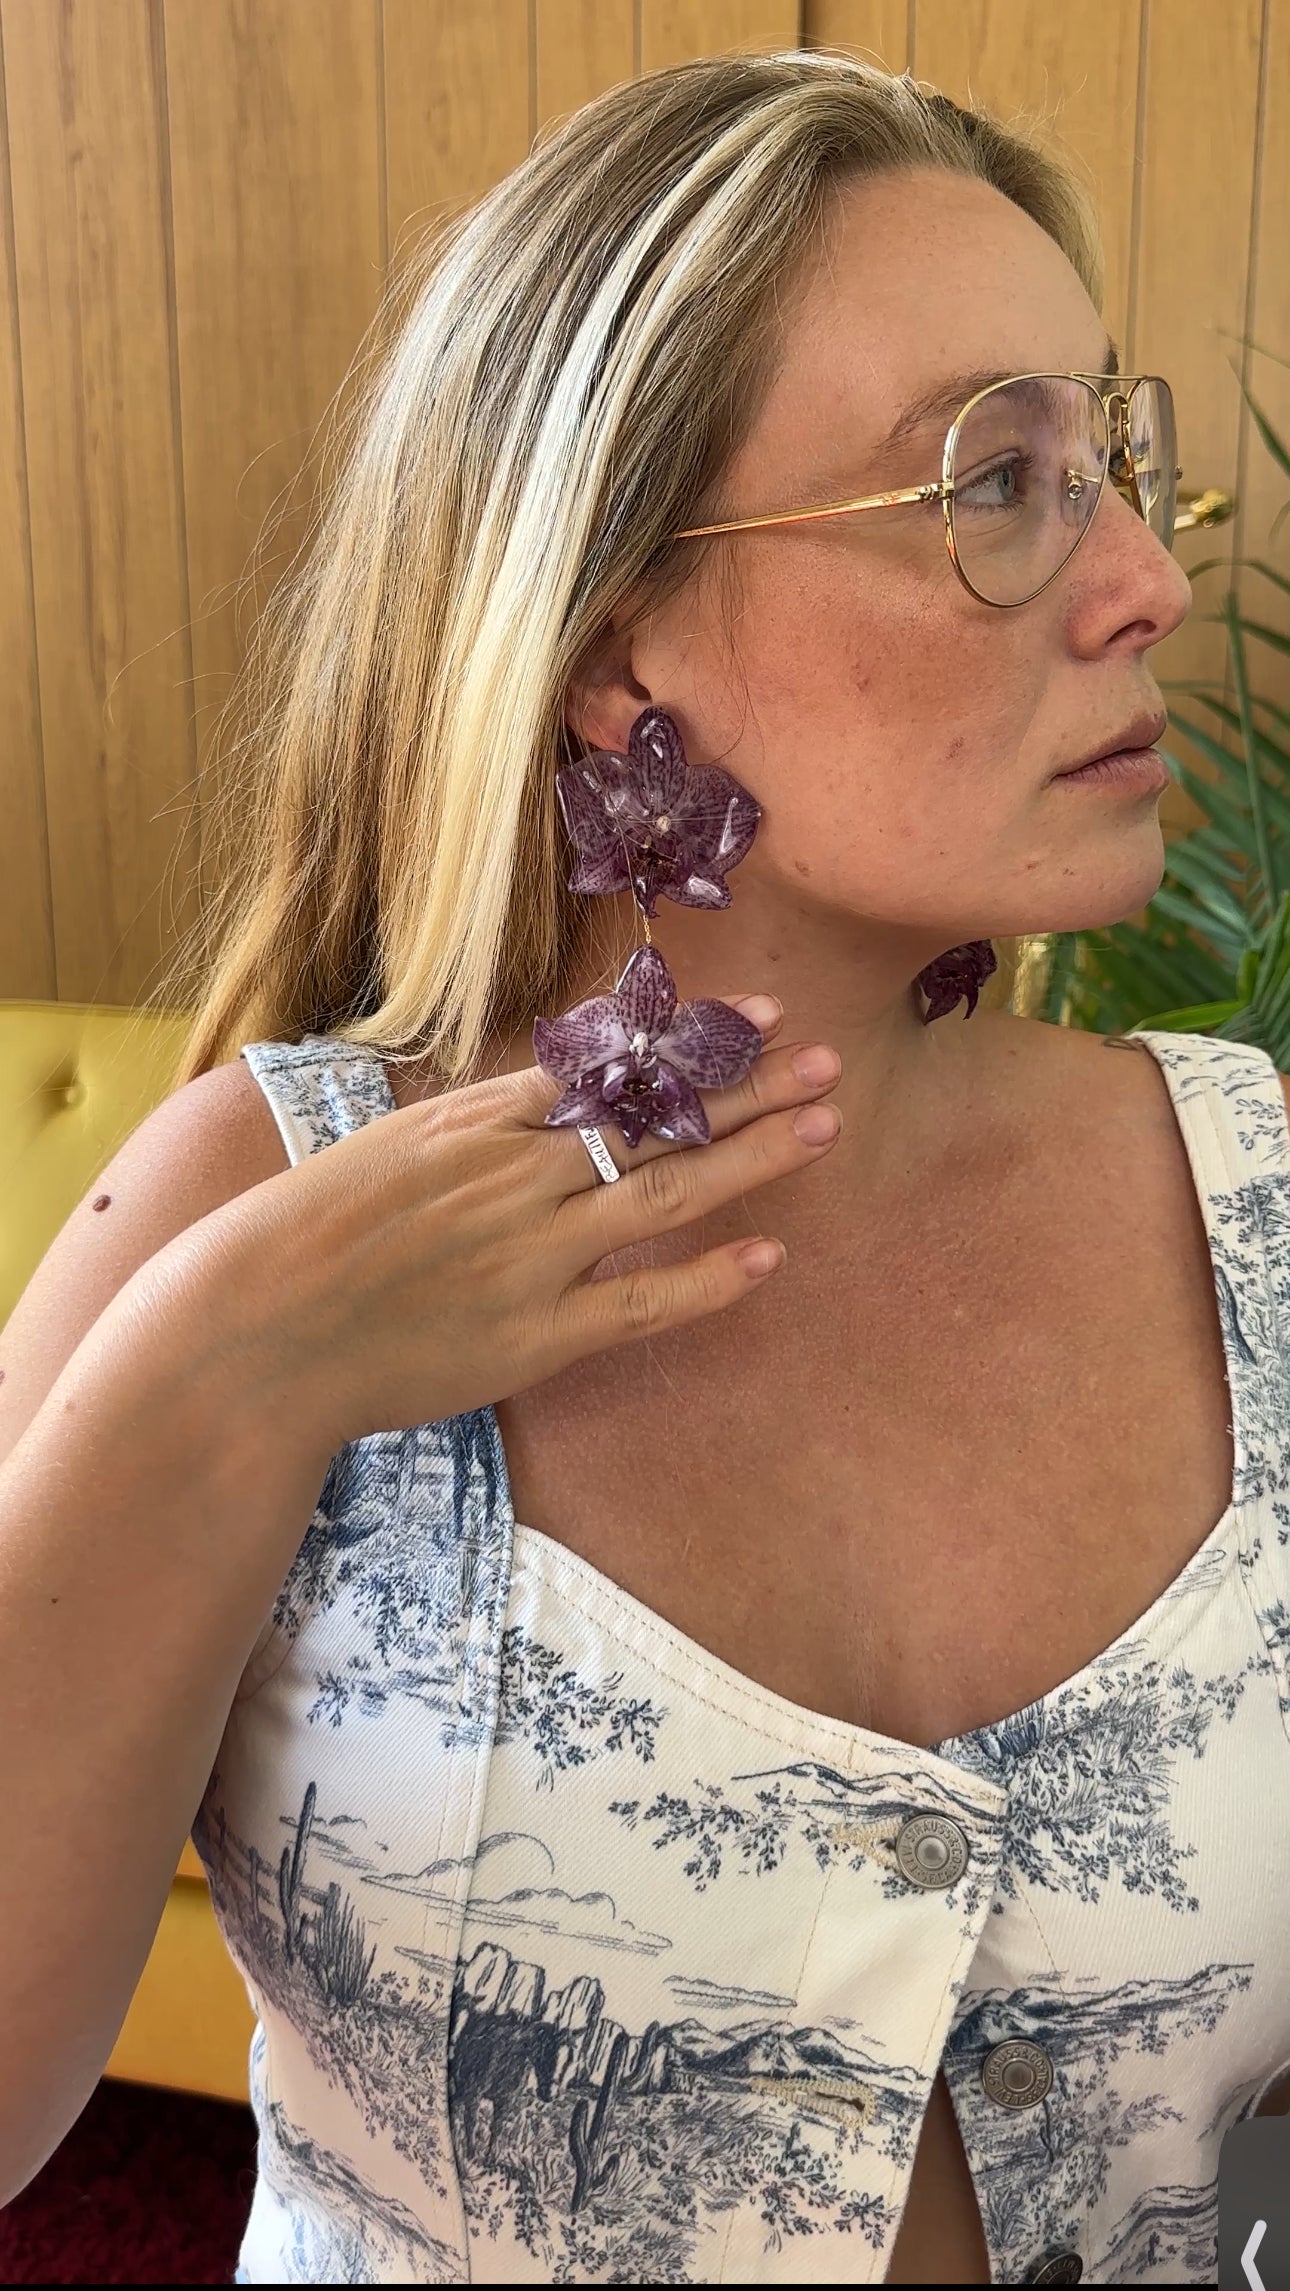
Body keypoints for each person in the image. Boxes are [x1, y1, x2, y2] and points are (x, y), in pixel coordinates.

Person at [2, 47, 1288, 2289]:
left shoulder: (1252, 1200)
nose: (1138, 583)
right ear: (615, 642)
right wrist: (218, 1387)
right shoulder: (243, 1221)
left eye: (1109, 461)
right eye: (994, 481)